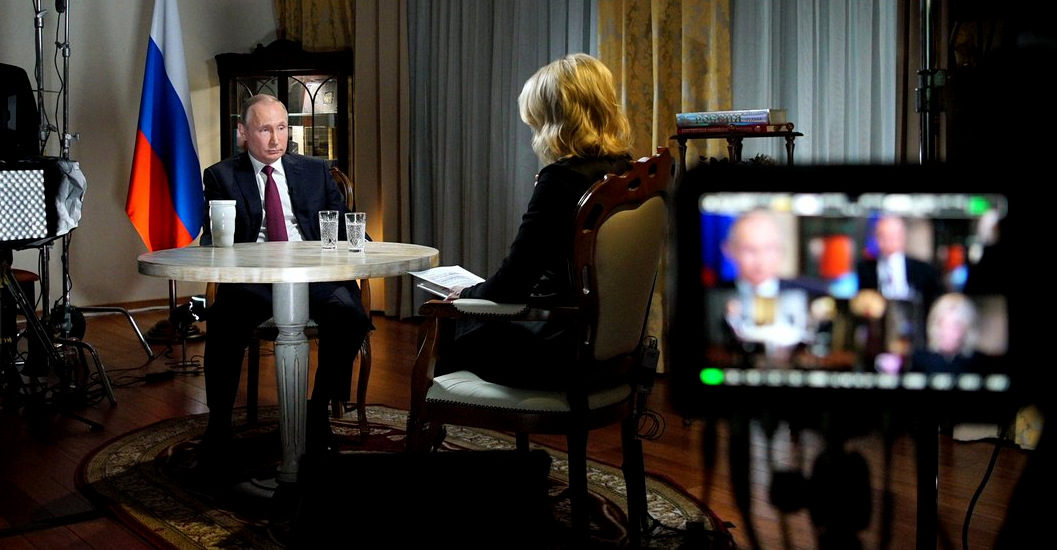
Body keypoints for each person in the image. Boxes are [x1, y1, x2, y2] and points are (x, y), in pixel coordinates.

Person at [439, 53, 633, 390]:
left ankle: (435, 423)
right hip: (609, 353)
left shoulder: (560, 180)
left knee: (448, 323)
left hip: (556, 351)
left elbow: (513, 283)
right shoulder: (625, 172)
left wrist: (465, 293)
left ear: (556, 119)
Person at [199, 94, 371, 464]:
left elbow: (342, 222)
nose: (276, 139)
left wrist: (365, 244)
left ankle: (318, 410)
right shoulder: (221, 176)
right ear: (244, 132)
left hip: (316, 277)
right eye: (265, 130)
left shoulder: (313, 169)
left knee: (351, 314)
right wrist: (219, 236)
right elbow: (212, 238)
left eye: (281, 128)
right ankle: (219, 426)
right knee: (224, 321)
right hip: (254, 281)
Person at [715, 208, 812, 360]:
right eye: (750, 250)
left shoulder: (811, 291)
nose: (761, 261)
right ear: (729, 250)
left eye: (769, 248)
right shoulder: (713, 296)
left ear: (781, 251)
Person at [909, 292, 981, 374]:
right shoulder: (920, 360)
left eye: (955, 326)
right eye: (943, 325)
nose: (948, 333)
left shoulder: (979, 363)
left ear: (967, 329)